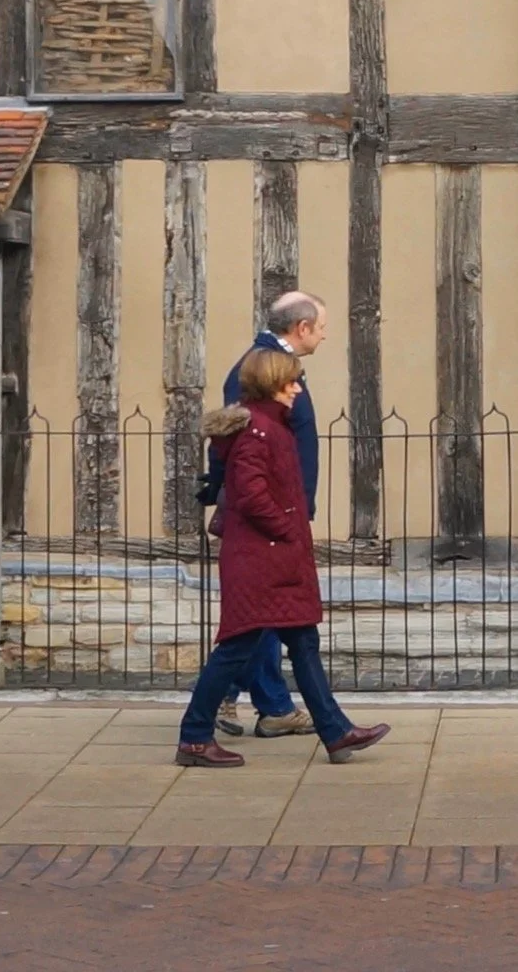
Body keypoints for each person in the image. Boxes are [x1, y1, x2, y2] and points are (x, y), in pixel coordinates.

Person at [176, 347, 387, 768]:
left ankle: (336, 731)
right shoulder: (259, 431)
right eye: (291, 381)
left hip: (273, 559)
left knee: (304, 642)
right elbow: (251, 495)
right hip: (261, 559)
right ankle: (195, 737)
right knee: (236, 646)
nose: (297, 389)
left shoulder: (270, 425)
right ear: (273, 384)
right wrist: (286, 528)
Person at [204, 291, 327, 739]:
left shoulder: (279, 365)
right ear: (302, 327)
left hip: (286, 509)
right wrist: (281, 517)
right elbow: (240, 442)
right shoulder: (257, 368)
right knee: (263, 617)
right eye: (321, 326)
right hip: (270, 518)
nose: (324, 334)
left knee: (274, 618)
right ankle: (241, 703)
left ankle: (262, 704)